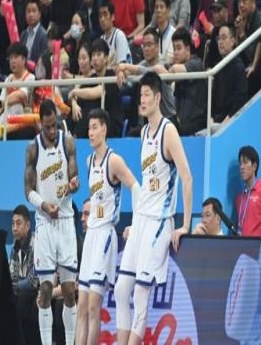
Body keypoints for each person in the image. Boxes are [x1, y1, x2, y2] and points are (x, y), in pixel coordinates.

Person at [114, 72, 193, 345]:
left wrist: (185, 225)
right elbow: (148, 185)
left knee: (140, 294)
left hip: (160, 222)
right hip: (141, 220)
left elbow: (187, 178)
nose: (142, 100)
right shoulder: (144, 132)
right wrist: (135, 222)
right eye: (140, 95)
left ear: (158, 97)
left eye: (147, 94)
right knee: (121, 289)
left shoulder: (168, 131)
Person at [75, 108, 139, 345]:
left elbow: (136, 187)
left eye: (94, 127)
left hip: (105, 236)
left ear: (104, 129)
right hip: (91, 235)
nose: (90, 132)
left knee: (94, 306)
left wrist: (135, 223)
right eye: (88, 128)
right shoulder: (88, 161)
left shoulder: (114, 161)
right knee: (81, 306)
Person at [24, 99, 79, 345]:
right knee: (46, 288)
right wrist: (44, 205)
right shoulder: (32, 149)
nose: (51, 130)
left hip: (65, 220)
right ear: (40, 124)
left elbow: (74, 177)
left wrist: (74, 184)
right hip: (45, 222)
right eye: (47, 126)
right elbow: (27, 190)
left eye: (54, 125)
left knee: (68, 290)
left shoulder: (68, 142)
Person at [9, 205, 41, 344]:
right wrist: (12, 286)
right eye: (13, 224)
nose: (14, 228)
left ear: (27, 225)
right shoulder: (14, 246)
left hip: (38, 291)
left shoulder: (37, 243)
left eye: (18, 223)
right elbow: (12, 275)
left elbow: (33, 281)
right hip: (21, 290)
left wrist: (13, 285)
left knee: (22, 297)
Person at [236, 145, 261, 237]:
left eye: (245, 162)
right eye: (240, 163)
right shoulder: (239, 198)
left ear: (254, 166)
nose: (242, 167)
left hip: (259, 245)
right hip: (241, 245)